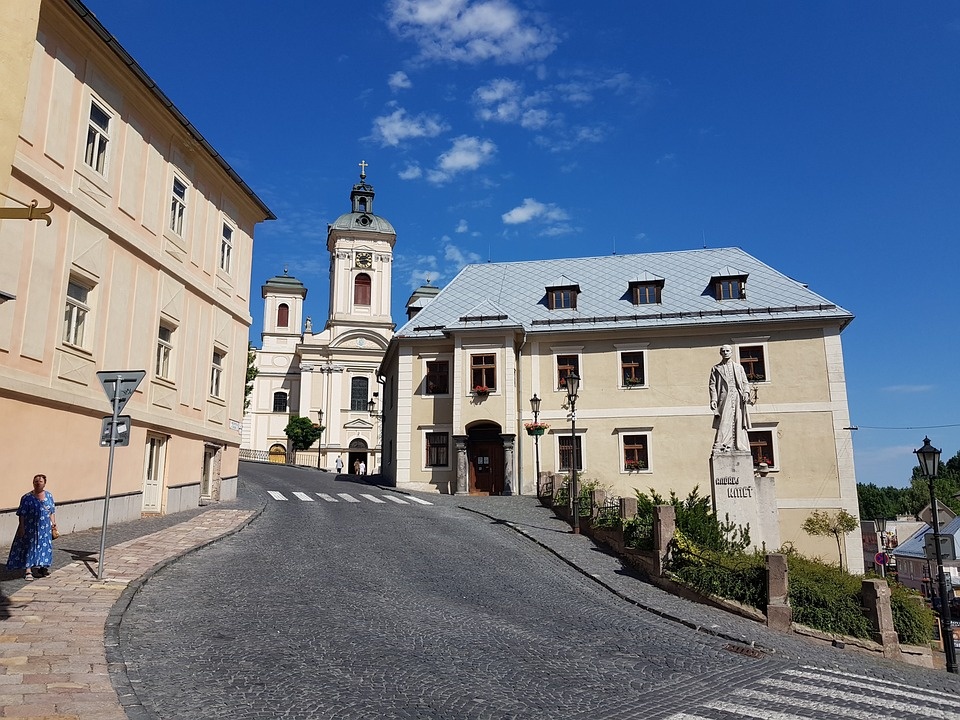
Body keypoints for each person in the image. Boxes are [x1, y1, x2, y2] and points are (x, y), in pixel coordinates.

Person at [6, 473, 57, 580]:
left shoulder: (49, 496)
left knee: (45, 547)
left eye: (40, 481)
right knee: (28, 548)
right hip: (30, 528)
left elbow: (51, 511)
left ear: (45, 483)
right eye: (35, 481)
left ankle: (42, 567)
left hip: (45, 528)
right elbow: (22, 514)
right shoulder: (26, 497)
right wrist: (22, 527)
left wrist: (53, 525)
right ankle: (28, 571)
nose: (38, 483)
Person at [708, 344, 754, 453]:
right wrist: (713, 399)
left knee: (738, 420)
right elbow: (712, 385)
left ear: (731, 352)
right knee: (725, 420)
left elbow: (745, 382)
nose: (725, 352)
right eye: (723, 351)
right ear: (720, 353)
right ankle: (722, 444)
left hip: (737, 396)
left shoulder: (739, 367)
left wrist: (746, 392)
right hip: (724, 397)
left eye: (728, 350)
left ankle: (739, 444)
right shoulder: (716, 368)